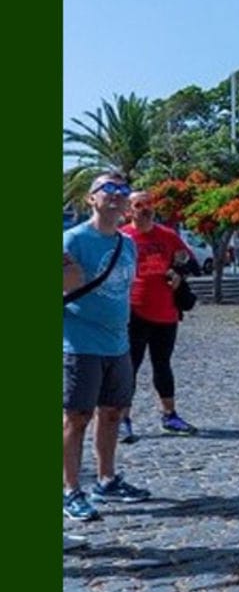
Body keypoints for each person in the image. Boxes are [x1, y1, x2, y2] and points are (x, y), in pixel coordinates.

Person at [63, 172, 150, 522]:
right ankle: (71, 490)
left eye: (122, 190)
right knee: (77, 417)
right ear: (91, 199)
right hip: (80, 343)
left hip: (118, 343)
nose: (116, 195)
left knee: (113, 412)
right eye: (107, 190)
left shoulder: (126, 244)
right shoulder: (72, 241)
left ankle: (107, 479)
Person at [118, 190, 198, 443]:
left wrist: (178, 271)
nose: (146, 208)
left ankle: (169, 415)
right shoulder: (122, 237)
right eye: (139, 204)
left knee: (162, 365)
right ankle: (123, 419)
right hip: (134, 311)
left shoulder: (167, 236)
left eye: (150, 203)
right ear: (129, 210)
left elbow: (191, 263)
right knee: (129, 366)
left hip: (166, 313)